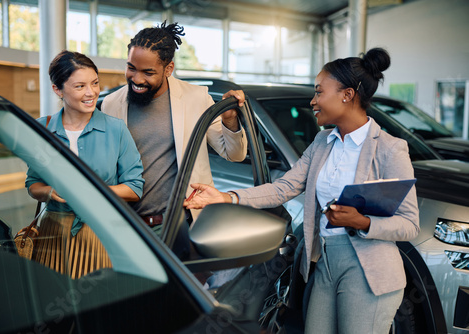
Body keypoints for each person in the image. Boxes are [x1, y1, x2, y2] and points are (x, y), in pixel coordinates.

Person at [184, 48, 420, 333]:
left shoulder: (389, 149)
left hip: (369, 269)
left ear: (346, 95)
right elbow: (284, 187)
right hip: (322, 263)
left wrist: (361, 222)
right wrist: (225, 197)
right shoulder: (323, 142)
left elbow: (409, 225)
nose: (313, 101)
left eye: (320, 92)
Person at [101, 21, 247, 258]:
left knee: (181, 294)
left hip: (180, 226)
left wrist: (230, 119)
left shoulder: (196, 98)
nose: (136, 79)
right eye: (131, 68)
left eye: (148, 72)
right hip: (127, 226)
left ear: (168, 69)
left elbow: (234, 154)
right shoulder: (111, 104)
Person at [25, 50, 145, 279]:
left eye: (95, 83)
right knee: (51, 306)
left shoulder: (115, 129)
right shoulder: (42, 129)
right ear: (57, 89)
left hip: (103, 234)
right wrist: (50, 191)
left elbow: (135, 187)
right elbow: (32, 184)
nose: (91, 93)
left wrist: (93, 191)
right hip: (53, 234)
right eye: (80, 86)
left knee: (98, 307)